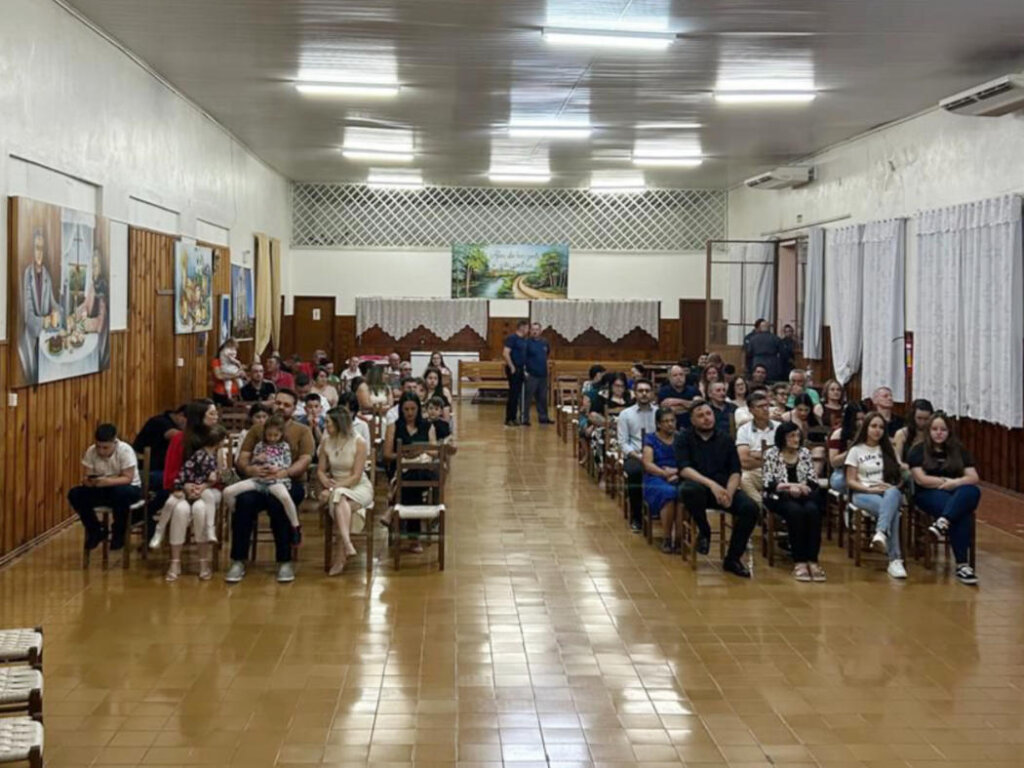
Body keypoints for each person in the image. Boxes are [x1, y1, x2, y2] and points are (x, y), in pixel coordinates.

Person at [226, 389, 314, 583]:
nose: (281, 407)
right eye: (278, 403)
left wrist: (285, 472)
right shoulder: (258, 429)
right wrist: (250, 469)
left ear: (294, 408)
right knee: (243, 502)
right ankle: (238, 560)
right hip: (259, 480)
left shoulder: (302, 430)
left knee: (278, 503)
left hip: (290, 482)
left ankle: (284, 560)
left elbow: (305, 459)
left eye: (286, 405)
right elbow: (243, 457)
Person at [675, 402, 760, 578]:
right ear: (692, 420)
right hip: (699, 487)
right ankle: (704, 530)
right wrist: (712, 485)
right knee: (690, 490)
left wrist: (729, 492)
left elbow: (735, 471)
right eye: (700, 416)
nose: (706, 418)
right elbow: (684, 469)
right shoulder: (684, 438)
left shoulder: (726, 439)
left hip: (724, 489)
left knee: (750, 508)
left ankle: (733, 558)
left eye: (709, 414)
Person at [908, 413, 980, 585]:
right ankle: (962, 565)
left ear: (949, 432)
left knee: (972, 491)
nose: (939, 433)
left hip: (955, 492)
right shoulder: (918, 450)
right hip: (928, 493)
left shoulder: (958, 450)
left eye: (943, 429)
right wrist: (945, 482)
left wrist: (955, 483)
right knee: (962, 513)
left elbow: (973, 477)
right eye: (935, 429)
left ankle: (943, 522)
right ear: (928, 431)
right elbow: (921, 479)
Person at [157, 425, 227, 581]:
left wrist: (209, 483)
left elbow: (228, 478)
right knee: (180, 510)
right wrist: (185, 486)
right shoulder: (186, 444)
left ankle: (204, 562)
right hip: (185, 490)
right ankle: (174, 562)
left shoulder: (220, 453)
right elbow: (176, 473)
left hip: (208, 492)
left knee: (200, 509)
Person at [845, 411, 907, 579]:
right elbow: (850, 481)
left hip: (887, 492)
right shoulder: (856, 450)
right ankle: (895, 560)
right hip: (863, 492)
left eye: (881, 427)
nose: (877, 430)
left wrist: (891, 486)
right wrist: (869, 490)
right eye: (873, 426)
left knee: (893, 494)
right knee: (893, 513)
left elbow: (900, 478)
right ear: (866, 428)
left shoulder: (889, 450)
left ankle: (881, 533)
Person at [762, 421, 825, 582]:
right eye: (791, 436)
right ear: (782, 437)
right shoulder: (771, 453)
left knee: (813, 511)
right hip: (779, 496)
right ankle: (799, 561)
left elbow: (812, 479)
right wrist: (791, 487)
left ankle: (813, 560)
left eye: (797, 435)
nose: (796, 439)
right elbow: (768, 482)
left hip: (803, 494)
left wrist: (803, 487)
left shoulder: (804, 453)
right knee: (795, 512)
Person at [318, 407, 375, 575]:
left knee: (338, 498)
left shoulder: (359, 442)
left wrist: (332, 488)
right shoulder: (326, 441)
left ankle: (340, 556)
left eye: (328, 422)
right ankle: (347, 544)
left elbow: (356, 476)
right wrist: (326, 482)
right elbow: (320, 470)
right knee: (340, 502)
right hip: (337, 487)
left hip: (358, 487)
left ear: (338, 423)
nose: (325, 425)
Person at [69, 423, 143, 551]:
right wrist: (89, 482)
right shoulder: (91, 451)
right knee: (75, 494)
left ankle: (118, 532)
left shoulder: (125, 451)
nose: (101, 451)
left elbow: (128, 478)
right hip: (102, 488)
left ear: (115, 442)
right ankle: (95, 530)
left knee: (120, 493)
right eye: (98, 447)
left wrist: (107, 482)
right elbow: (87, 475)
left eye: (105, 448)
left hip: (128, 488)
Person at [382, 393, 438, 554]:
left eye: (413, 409)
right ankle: (414, 539)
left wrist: (421, 450)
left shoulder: (427, 426)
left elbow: (435, 451)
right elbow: (387, 454)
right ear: (401, 410)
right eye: (406, 409)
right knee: (412, 486)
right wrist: (404, 454)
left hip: (424, 469)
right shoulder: (394, 426)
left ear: (418, 409)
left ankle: (393, 508)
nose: (410, 412)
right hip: (402, 468)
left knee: (414, 477)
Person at [19, 228, 61, 385]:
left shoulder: (47, 276)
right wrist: (44, 321)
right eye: (37, 248)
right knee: (33, 378)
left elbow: (53, 303)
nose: (39, 253)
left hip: (44, 339)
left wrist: (60, 312)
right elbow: (28, 316)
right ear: (32, 249)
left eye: (42, 249)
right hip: (31, 339)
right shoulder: (27, 275)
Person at [617, 380, 657, 533]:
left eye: (647, 390)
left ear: (652, 393)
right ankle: (637, 517)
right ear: (635, 393)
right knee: (635, 473)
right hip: (635, 455)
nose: (644, 394)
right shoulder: (626, 414)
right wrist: (640, 457)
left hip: (656, 454)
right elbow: (623, 443)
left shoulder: (659, 413)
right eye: (641, 391)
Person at [642, 407, 681, 553]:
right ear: (658, 424)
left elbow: (689, 461)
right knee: (668, 493)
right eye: (666, 421)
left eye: (672, 420)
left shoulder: (681, 438)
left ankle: (680, 539)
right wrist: (665, 474)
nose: (670, 424)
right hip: (656, 476)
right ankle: (667, 538)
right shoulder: (651, 439)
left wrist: (677, 472)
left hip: (679, 474)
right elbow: (648, 464)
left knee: (685, 493)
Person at [734, 392, 779, 506]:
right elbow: (744, 461)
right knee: (743, 478)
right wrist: (769, 458)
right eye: (760, 406)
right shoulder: (744, 430)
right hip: (756, 472)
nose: (765, 409)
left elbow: (785, 456)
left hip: (778, 471)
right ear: (751, 410)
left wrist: (755, 454)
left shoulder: (779, 427)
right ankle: (763, 506)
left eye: (767, 405)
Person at [132, 405, 186, 490]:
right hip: (149, 470)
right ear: (181, 415)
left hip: (160, 469)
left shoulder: (169, 422)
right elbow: (175, 435)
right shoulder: (160, 421)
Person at [828, 401, 866, 492]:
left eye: (863, 419)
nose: (861, 423)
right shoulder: (838, 434)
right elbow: (833, 462)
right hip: (842, 471)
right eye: (857, 420)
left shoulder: (869, 433)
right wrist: (851, 451)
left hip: (865, 470)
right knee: (840, 482)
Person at [522, 322, 552, 425]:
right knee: (528, 398)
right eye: (533, 329)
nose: (535, 331)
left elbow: (547, 354)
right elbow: (523, 357)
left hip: (543, 374)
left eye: (537, 329)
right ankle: (525, 418)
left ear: (540, 331)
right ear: (530, 331)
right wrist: (525, 371)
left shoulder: (545, 342)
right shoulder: (526, 342)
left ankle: (543, 417)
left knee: (542, 398)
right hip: (531, 374)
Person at [502, 319, 529, 427]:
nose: (528, 330)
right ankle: (509, 418)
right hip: (514, 368)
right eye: (527, 328)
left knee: (517, 394)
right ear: (522, 327)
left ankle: (514, 417)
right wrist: (511, 366)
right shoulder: (512, 338)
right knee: (513, 394)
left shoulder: (524, 340)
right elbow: (505, 353)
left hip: (521, 368)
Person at [893, 399, 934, 466]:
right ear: (913, 417)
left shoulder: (933, 434)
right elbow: (897, 460)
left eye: (926, 419)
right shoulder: (902, 434)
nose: (923, 422)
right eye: (919, 418)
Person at [211, 338, 245, 405]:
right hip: (222, 393)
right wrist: (235, 375)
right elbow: (219, 376)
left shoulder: (233, 363)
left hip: (236, 393)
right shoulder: (216, 361)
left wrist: (242, 373)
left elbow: (241, 373)